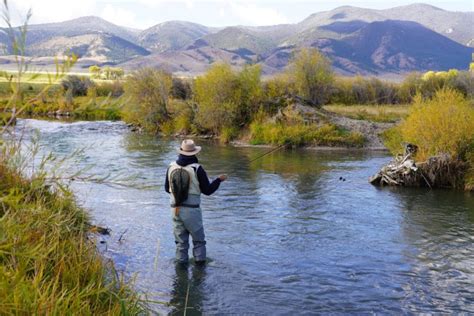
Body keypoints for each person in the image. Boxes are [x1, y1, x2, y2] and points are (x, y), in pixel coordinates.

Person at [165, 139, 227, 264]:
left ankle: (180, 274)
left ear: (181, 151)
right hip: (192, 211)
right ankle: (200, 274)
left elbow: (167, 189)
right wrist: (218, 180)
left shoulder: (171, 166)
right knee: (198, 242)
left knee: (181, 243)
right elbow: (208, 191)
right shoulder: (197, 168)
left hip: (175, 210)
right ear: (194, 153)